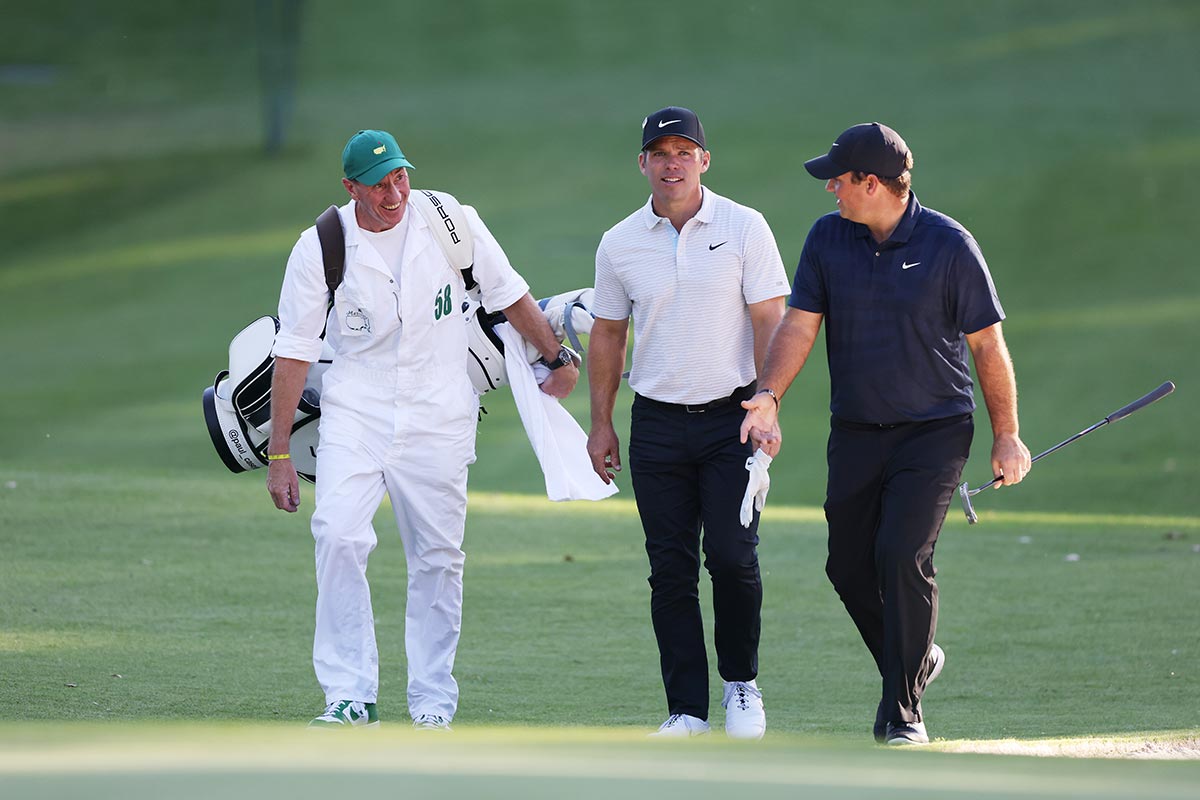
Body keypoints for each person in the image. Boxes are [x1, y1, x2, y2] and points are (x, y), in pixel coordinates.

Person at [266, 129, 579, 730]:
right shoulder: (321, 245)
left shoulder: (448, 220)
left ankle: (432, 703)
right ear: (351, 187)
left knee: (437, 557)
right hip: (356, 407)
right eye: (378, 185)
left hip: (439, 409)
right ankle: (350, 695)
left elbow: (509, 292)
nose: (393, 194)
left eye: (400, 177)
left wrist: (555, 356)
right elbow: (295, 348)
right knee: (336, 534)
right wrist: (280, 453)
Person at [740, 122, 1032, 745]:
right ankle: (916, 657)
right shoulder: (827, 238)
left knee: (901, 555)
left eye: (838, 180)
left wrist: (1007, 434)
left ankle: (903, 712)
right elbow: (799, 325)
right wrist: (768, 395)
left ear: (871, 183)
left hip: (934, 431)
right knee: (847, 566)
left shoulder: (950, 245)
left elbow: (987, 344)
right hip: (855, 428)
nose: (831, 190)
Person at [587, 107, 790, 739]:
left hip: (733, 418)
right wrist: (601, 423)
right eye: (660, 153)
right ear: (642, 163)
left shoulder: (744, 226)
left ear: (704, 159)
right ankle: (687, 710)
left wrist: (768, 401)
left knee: (732, 557)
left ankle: (741, 684)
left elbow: (771, 318)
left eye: (683, 152)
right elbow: (608, 334)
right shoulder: (620, 241)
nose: (671, 164)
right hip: (655, 423)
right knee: (669, 569)